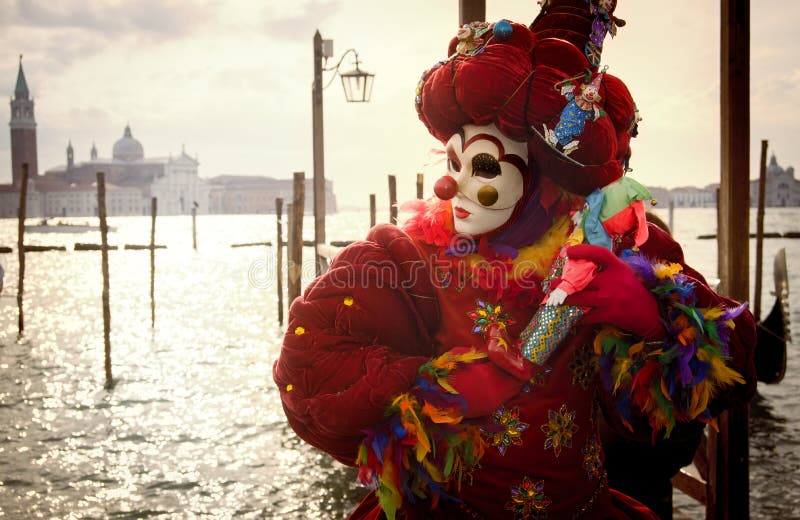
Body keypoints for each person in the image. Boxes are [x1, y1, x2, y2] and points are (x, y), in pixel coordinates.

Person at [273, 3, 756, 519]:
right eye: (453, 162)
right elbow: (306, 366)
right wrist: (436, 386)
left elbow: (737, 361)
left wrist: (648, 313)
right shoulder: (402, 257)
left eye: (480, 165)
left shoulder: (614, 250)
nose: (445, 184)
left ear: (544, 173)